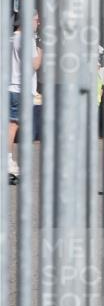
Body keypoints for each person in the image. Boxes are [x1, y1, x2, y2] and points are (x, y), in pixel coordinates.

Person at [8, 12, 41, 183]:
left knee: (10, 126)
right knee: (12, 127)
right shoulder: (28, 40)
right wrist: (41, 50)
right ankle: (6, 162)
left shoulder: (10, 39)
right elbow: (35, 64)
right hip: (19, 88)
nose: (38, 22)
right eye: (36, 19)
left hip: (9, 87)